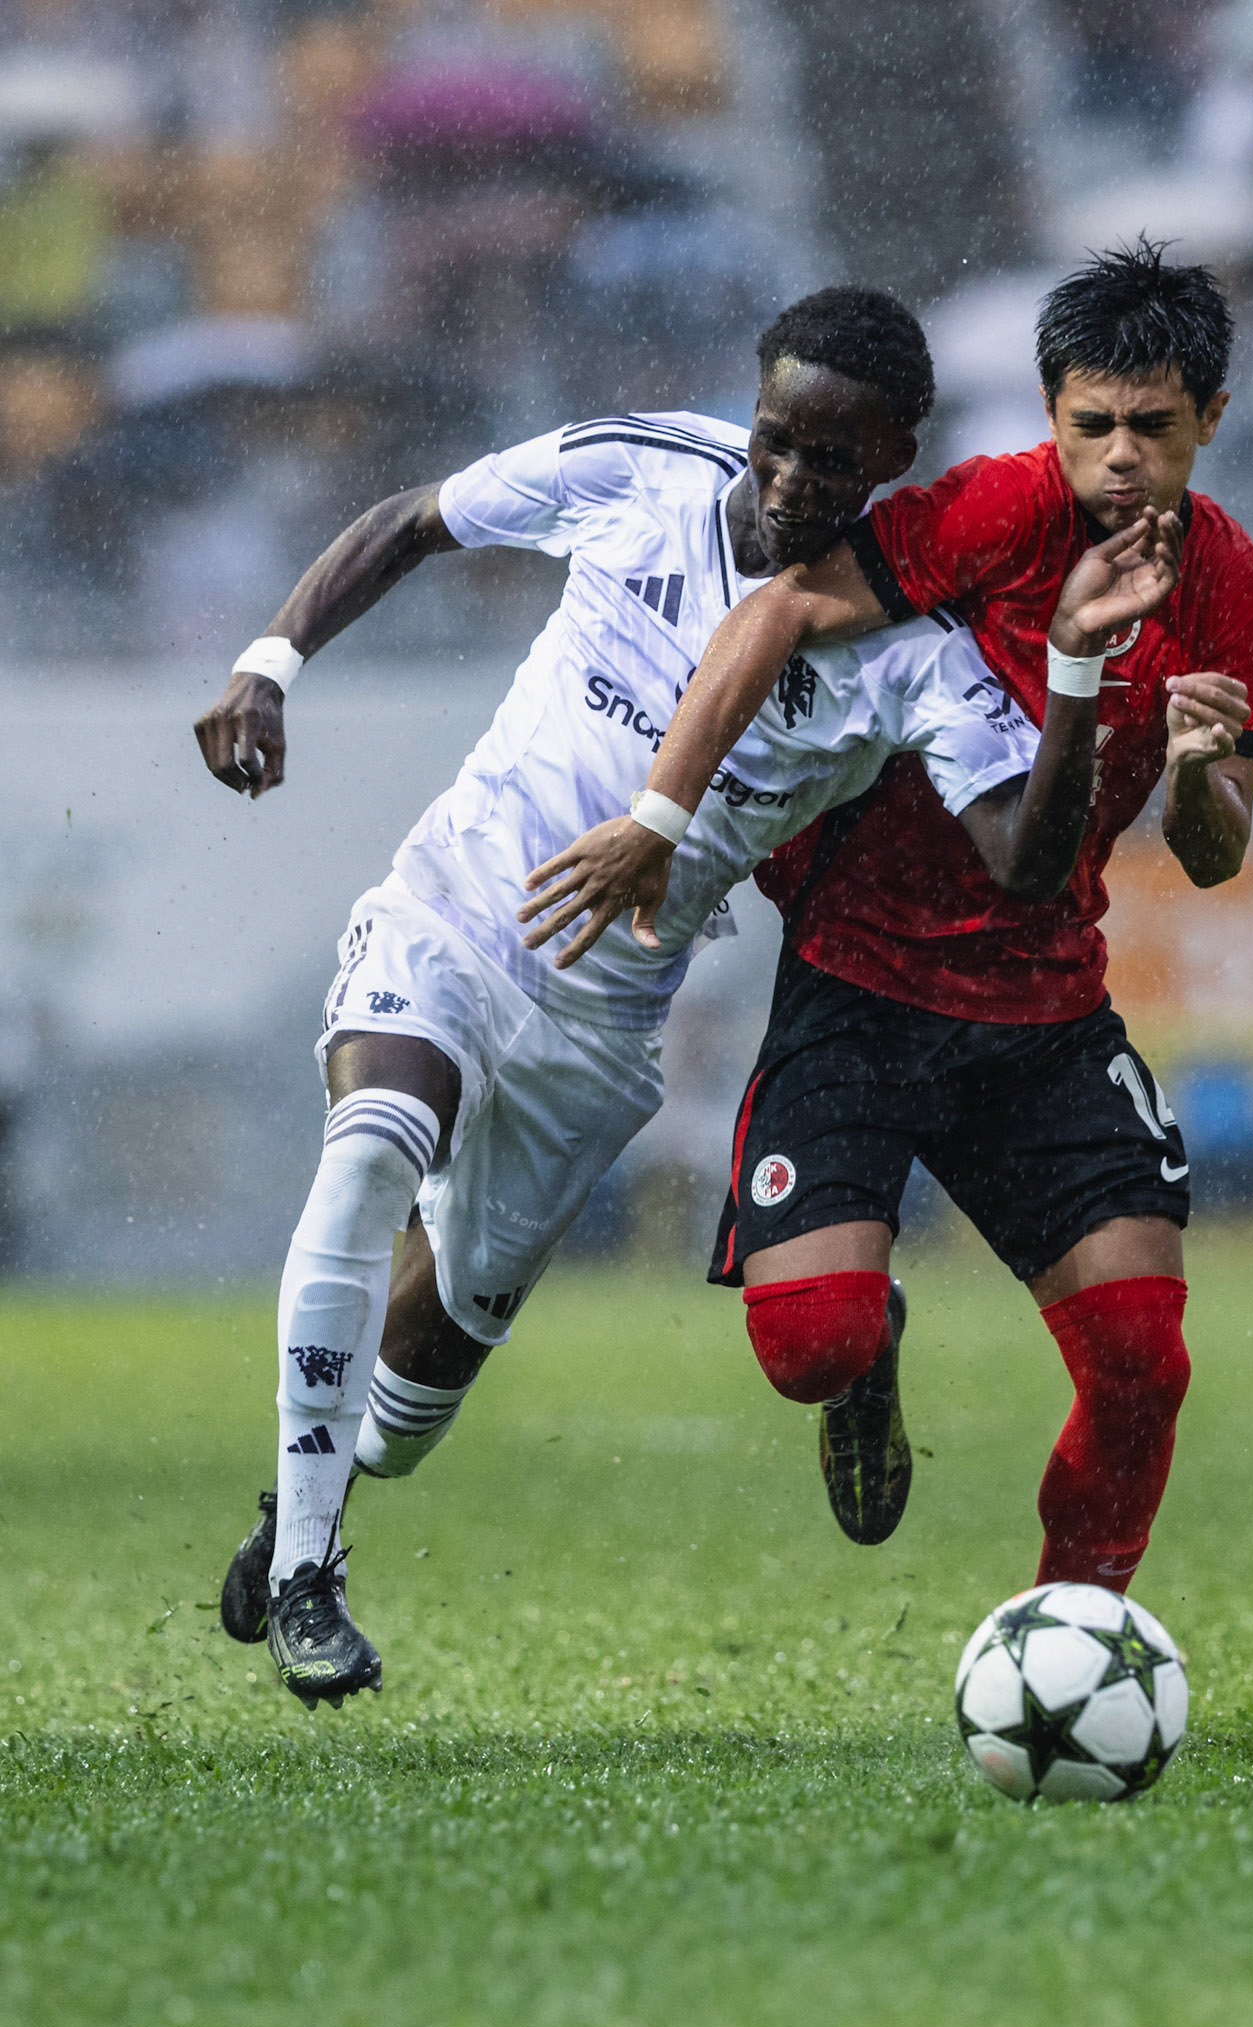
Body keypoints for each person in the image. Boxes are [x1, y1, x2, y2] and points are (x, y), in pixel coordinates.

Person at [191, 286, 1182, 1708]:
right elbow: (418, 517)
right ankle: (305, 1568)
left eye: (831, 464)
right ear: (752, 411)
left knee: (408, 1412)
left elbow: (1023, 857)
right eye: (776, 440)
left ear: (892, 461)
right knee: (367, 1149)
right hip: (455, 911)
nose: (786, 482)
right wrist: (270, 661)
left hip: (598, 1024)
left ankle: (320, 1488)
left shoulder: (909, 652)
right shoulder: (643, 465)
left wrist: (1078, 667)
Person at [533, 241, 1253, 1592]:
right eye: (1090, 424)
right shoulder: (992, 515)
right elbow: (782, 610)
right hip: (858, 991)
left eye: (1152, 429)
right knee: (806, 1347)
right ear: (1051, 411)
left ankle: (1077, 1623)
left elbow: (1216, 852)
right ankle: (864, 1346)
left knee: (1140, 1361)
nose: (1119, 457)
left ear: (1207, 421)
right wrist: (658, 813)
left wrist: (1191, 773)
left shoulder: (1235, 588)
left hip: (1043, 1013)